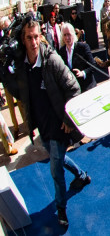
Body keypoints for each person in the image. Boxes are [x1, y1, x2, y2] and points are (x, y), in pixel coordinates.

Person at [5, 17, 91, 227]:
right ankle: (81, 175)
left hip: (59, 125)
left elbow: (74, 88)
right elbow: (18, 91)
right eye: (29, 38)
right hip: (41, 125)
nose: (34, 42)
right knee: (57, 158)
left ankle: (61, 209)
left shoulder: (52, 60)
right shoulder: (22, 64)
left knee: (55, 170)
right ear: (23, 40)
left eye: (36, 37)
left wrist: (68, 119)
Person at [59, 23, 96, 92]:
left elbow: (93, 65)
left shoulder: (83, 47)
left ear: (73, 34)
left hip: (88, 87)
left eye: (69, 34)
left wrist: (83, 73)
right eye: (65, 35)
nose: (67, 38)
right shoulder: (61, 52)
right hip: (74, 89)